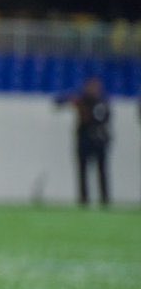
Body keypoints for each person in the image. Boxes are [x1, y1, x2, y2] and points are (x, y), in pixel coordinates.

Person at [55, 76, 111, 206]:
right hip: (84, 139)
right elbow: (58, 102)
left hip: (98, 140)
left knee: (101, 170)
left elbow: (105, 119)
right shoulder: (81, 100)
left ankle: (104, 199)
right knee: (82, 170)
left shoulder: (102, 101)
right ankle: (84, 199)